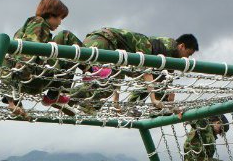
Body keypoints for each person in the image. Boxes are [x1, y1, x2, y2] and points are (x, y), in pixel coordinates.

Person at [69, 29, 198, 114]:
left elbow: (119, 75)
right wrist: (154, 99)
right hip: (102, 42)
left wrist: (116, 104)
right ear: (181, 46)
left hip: (101, 42)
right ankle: (68, 97)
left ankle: (81, 103)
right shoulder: (150, 46)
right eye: (188, 53)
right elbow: (147, 72)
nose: (187, 58)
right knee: (104, 83)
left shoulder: (161, 54)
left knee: (109, 83)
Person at [3, 0, 83, 117]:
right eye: (60, 18)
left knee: (62, 42)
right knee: (67, 39)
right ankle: (90, 70)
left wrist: (13, 100)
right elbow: (29, 50)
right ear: (51, 14)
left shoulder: (25, 29)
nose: (60, 22)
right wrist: (24, 73)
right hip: (31, 76)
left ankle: (54, 96)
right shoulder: (39, 22)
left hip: (22, 80)